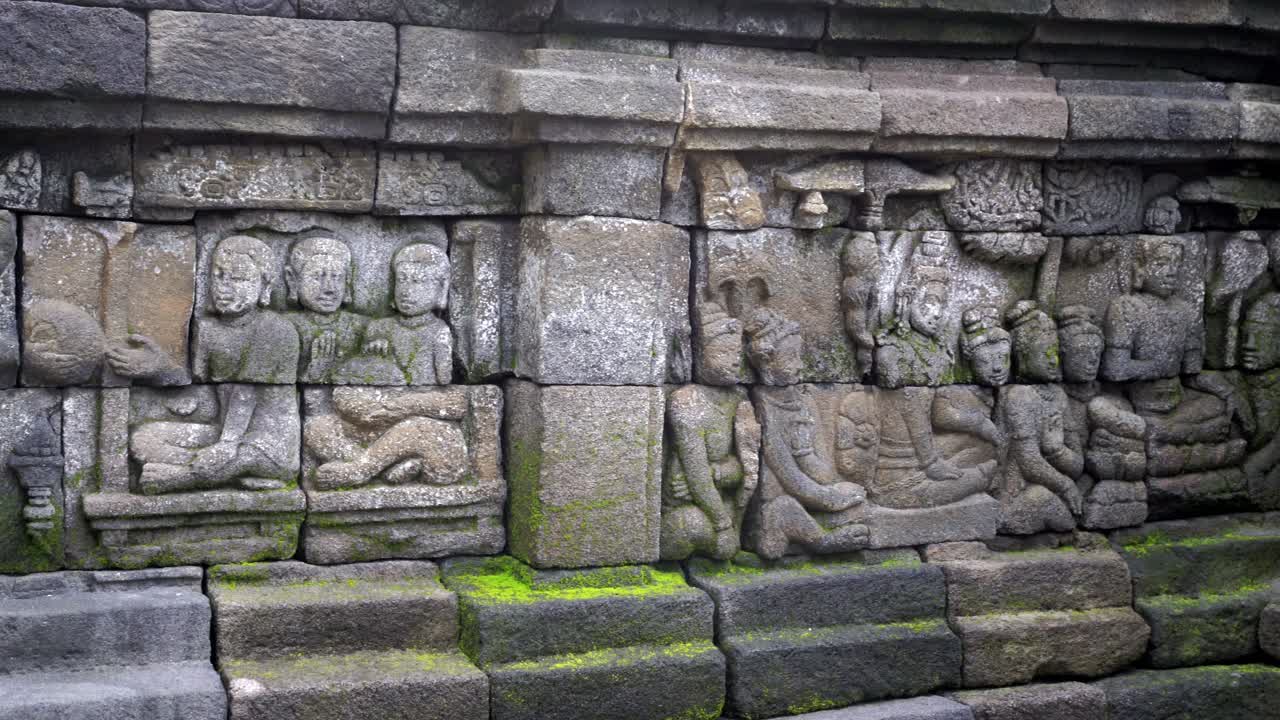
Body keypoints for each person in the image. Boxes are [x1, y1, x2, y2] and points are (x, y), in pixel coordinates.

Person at [133, 384, 298, 495]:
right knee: (146, 436)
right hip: (224, 432)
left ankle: (184, 476)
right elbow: (213, 407)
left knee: (246, 455)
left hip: (271, 448)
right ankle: (219, 472)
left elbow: (245, 395)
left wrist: (226, 445)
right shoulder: (210, 339)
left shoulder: (273, 337)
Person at [193, 235, 298, 384]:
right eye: (218, 276)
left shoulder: (280, 331)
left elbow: (282, 400)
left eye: (237, 278)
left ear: (265, 285)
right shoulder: (205, 331)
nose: (223, 286)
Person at [358, 243, 453, 385]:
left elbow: (444, 378)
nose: (406, 291)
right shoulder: (378, 328)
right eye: (402, 280)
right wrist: (372, 350)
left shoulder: (439, 332)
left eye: (417, 281)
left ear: (439, 289)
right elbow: (360, 367)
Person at [285, 236, 366, 383]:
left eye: (337, 278)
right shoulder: (285, 327)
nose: (329, 289)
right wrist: (314, 372)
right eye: (317, 277)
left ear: (348, 282)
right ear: (293, 280)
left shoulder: (361, 327)